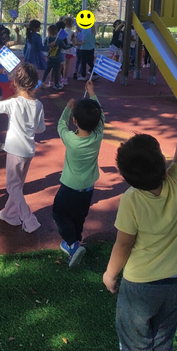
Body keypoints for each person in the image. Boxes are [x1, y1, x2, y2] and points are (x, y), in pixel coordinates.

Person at [103, 81, 177, 351]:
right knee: (163, 347)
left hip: (139, 287)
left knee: (135, 350)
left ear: (127, 177)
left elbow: (123, 245)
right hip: (173, 284)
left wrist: (110, 274)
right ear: (164, 166)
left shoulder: (131, 200)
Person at [0, 62, 45, 232]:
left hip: (15, 151)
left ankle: (29, 219)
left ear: (16, 82)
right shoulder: (38, 105)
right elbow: (40, 128)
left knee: (13, 187)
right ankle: (10, 214)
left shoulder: (14, 103)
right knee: (17, 185)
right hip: (28, 151)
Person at [53, 80, 104, 266]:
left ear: (75, 121)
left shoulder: (71, 139)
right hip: (88, 188)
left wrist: (68, 108)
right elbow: (101, 116)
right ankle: (77, 241)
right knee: (79, 216)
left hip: (69, 187)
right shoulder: (98, 135)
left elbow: (61, 125)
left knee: (59, 213)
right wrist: (92, 92)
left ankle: (72, 244)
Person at [42, 24, 69, 90]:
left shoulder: (47, 39)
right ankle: (56, 84)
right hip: (57, 59)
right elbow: (65, 47)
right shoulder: (59, 40)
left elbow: (44, 47)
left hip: (49, 58)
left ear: (48, 32)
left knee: (46, 71)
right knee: (56, 72)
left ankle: (42, 82)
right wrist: (72, 45)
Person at [62, 17, 76, 85]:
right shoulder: (72, 33)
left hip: (62, 50)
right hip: (69, 50)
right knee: (66, 65)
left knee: (61, 64)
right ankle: (64, 78)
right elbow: (74, 42)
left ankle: (60, 77)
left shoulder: (62, 31)